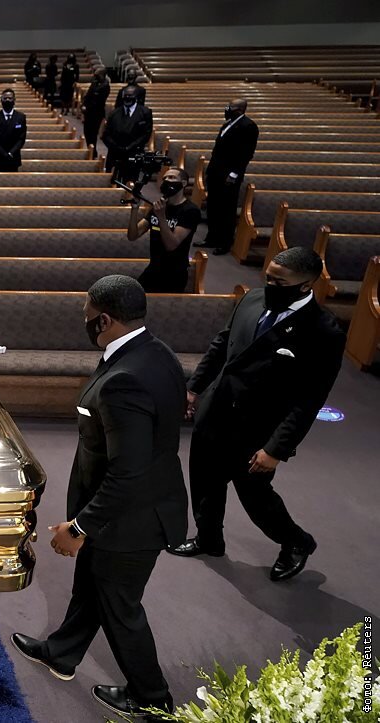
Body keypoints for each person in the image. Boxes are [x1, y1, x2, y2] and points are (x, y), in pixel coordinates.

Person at [11, 275, 184, 723]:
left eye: (86, 314)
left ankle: (153, 699)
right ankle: (61, 653)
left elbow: (128, 472)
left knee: (120, 608)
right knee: (91, 586)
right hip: (136, 505)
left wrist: (79, 527)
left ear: (104, 320)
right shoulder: (156, 351)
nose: (83, 320)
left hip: (130, 519)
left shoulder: (124, 380)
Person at [171, 247, 345, 582]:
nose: (270, 286)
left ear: (306, 284)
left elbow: (309, 400)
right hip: (217, 408)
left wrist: (276, 449)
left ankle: (296, 541)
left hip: (258, 429)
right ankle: (209, 539)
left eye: (280, 282)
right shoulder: (252, 299)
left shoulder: (323, 331)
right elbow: (221, 344)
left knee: (255, 497)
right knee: (205, 481)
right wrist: (194, 388)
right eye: (268, 277)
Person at [198, 99, 260, 255]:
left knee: (226, 210)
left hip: (229, 175)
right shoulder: (228, 124)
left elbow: (246, 154)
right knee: (213, 207)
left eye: (229, 107)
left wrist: (234, 174)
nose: (226, 109)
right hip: (215, 172)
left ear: (239, 110)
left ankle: (224, 243)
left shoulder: (249, 126)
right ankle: (211, 237)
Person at [127, 168, 200, 293]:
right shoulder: (160, 206)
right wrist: (134, 209)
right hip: (154, 268)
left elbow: (171, 245)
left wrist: (161, 216)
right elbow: (133, 235)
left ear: (183, 183)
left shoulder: (190, 211)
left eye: (172, 177)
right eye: (165, 178)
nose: (167, 180)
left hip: (174, 274)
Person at [102, 87, 153, 183]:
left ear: (135, 98)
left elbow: (146, 135)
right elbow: (106, 135)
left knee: (130, 183)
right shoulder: (114, 113)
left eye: (130, 97)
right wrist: (116, 147)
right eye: (125, 97)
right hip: (115, 154)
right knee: (112, 182)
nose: (127, 99)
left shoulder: (145, 112)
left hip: (133, 153)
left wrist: (130, 147)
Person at [0, 88, 27, 172]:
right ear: (1, 100)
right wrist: (4, 154)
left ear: (14, 100)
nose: (7, 100)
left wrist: (11, 153)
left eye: (10, 98)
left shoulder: (21, 117)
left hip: (13, 158)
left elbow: (21, 139)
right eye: (5, 98)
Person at [80, 68, 110, 159]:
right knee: (87, 132)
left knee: (93, 134)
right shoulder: (94, 83)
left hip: (97, 113)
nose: (95, 76)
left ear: (102, 75)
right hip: (88, 112)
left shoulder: (105, 86)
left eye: (97, 75)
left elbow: (99, 101)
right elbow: (88, 95)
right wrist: (84, 105)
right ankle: (90, 150)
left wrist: (87, 107)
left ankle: (92, 153)